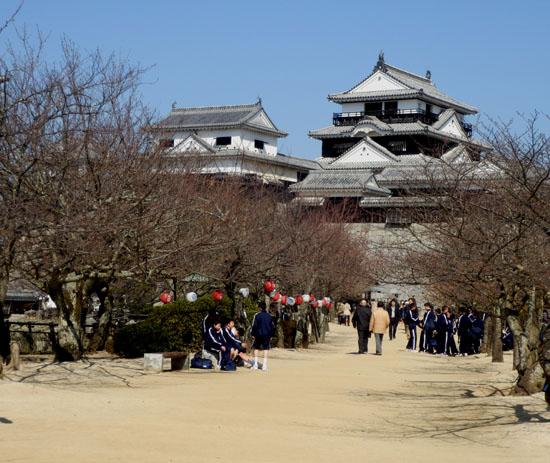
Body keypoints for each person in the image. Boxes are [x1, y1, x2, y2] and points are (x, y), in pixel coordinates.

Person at [251, 301, 275, 371]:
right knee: (265, 349)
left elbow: (254, 326)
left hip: (258, 334)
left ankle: (255, 365)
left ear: (260, 308)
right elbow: (272, 327)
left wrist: (253, 334)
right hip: (267, 334)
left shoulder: (257, 315)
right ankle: (264, 366)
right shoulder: (269, 316)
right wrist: (271, 335)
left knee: (256, 348)